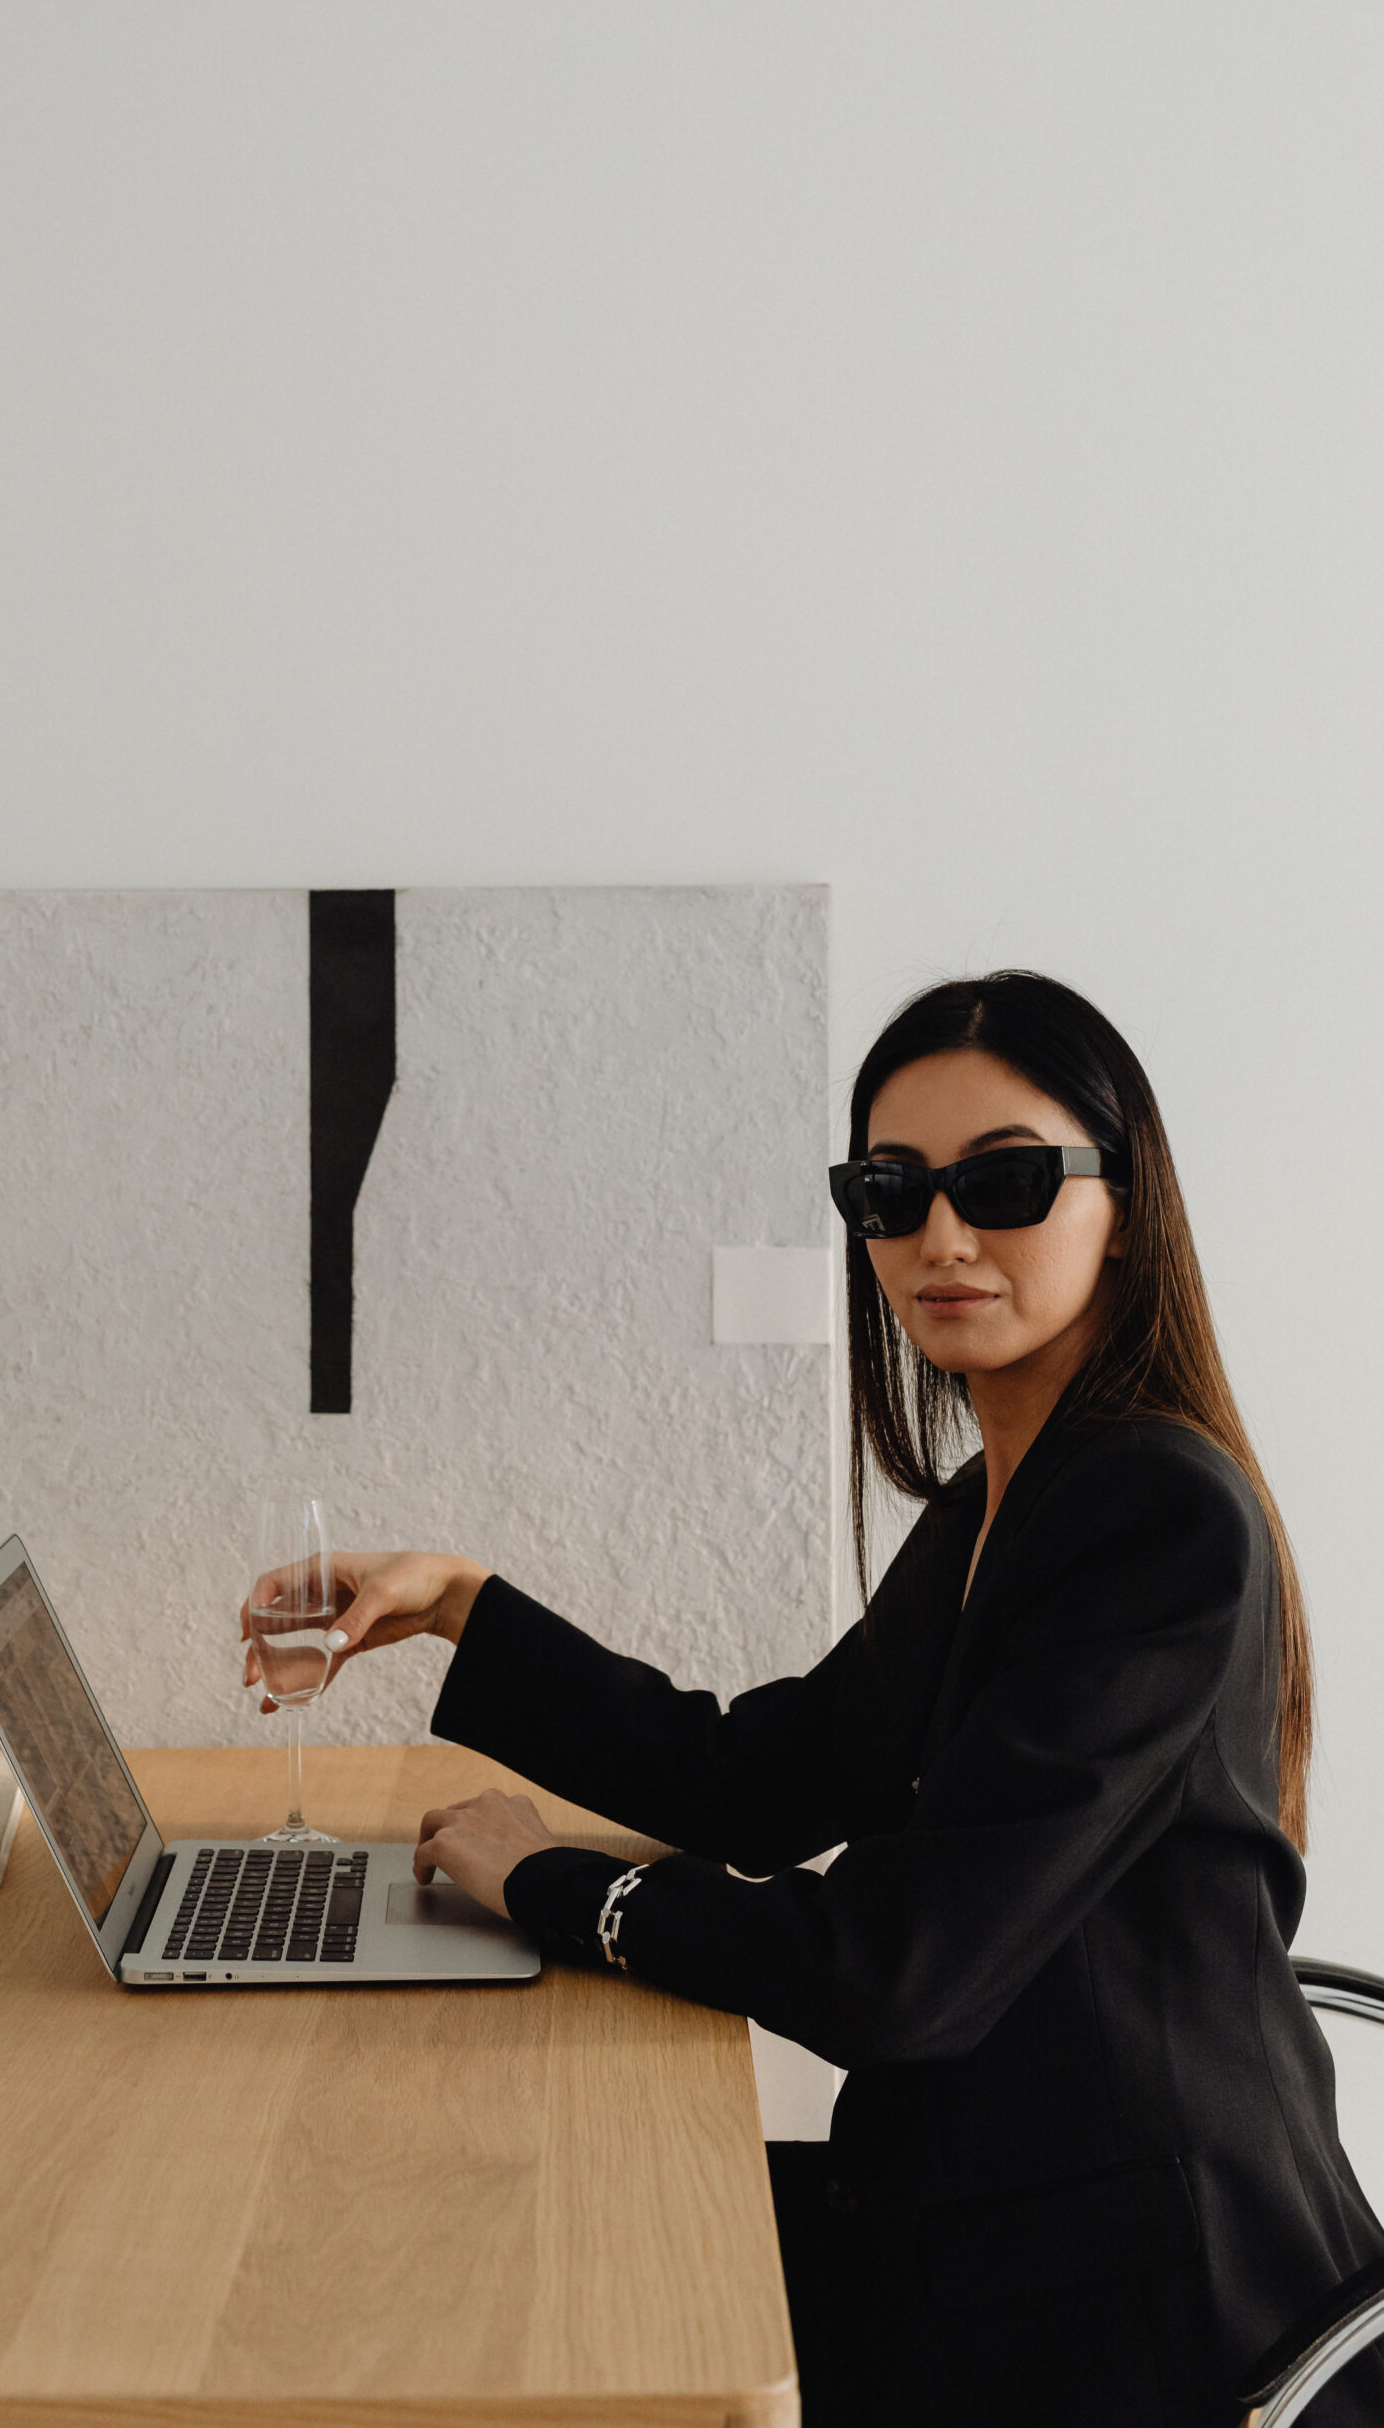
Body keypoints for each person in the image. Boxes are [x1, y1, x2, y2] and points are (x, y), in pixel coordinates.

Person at [245, 971, 1384, 2426]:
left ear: (1127, 1200)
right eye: (890, 1192)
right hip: (978, 2198)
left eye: (1008, 1182)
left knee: (532, 2301)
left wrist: (558, 1886)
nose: (941, 1237)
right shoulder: (1001, 1496)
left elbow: (895, 1973)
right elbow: (759, 1781)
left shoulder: (1159, 1519)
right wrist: (459, 1604)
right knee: (492, 2248)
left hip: (1139, 2303)